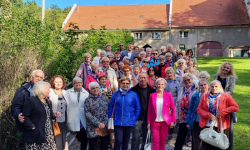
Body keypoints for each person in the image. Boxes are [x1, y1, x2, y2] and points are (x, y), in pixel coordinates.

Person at [197, 80, 239, 150]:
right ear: (210, 87)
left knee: (217, 145)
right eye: (212, 86)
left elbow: (235, 107)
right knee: (206, 145)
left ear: (220, 87)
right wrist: (209, 115)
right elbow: (199, 109)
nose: (214, 88)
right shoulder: (204, 97)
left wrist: (222, 112)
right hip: (207, 124)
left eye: (216, 86)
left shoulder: (226, 97)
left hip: (219, 125)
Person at [11, 69, 44, 147]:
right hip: (27, 125)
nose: (39, 79)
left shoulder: (45, 90)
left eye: (41, 77)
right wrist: (18, 114)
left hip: (42, 126)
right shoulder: (22, 90)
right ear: (32, 77)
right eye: (37, 76)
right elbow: (15, 106)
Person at [108, 77, 141, 150]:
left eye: (127, 83)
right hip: (117, 121)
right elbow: (111, 105)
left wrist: (134, 119)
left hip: (129, 122)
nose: (125, 85)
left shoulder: (134, 94)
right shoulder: (116, 93)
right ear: (120, 84)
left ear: (130, 84)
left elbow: (137, 108)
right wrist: (110, 117)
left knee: (125, 141)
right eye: (123, 83)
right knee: (118, 140)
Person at [22, 81, 56, 150]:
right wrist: (32, 127)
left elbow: (47, 115)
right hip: (36, 136)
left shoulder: (48, 101)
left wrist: (54, 114)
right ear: (41, 89)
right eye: (48, 89)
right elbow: (25, 116)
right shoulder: (31, 100)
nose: (49, 91)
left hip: (48, 135)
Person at [147, 78, 176, 150]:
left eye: (162, 84)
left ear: (165, 85)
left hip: (165, 122)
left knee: (163, 140)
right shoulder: (152, 95)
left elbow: (173, 109)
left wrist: (172, 121)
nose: (160, 86)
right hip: (155, 122)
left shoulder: (168, 95)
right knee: (155, 140)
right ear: (156, 85)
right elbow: (149, 110)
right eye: (158, 84)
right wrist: (148, 123)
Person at [131, 73, 156, 150]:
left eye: (144, 78)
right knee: (135, 138)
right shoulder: (133, 90)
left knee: (146, 138)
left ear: (147, 79)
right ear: (138, 79)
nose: (143, 79)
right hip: (137, 117)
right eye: (141, 78)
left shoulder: (152, 90)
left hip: (148, 118)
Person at [174, 73, 199, 150]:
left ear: (192, 79)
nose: (187, 82)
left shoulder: (197, 89)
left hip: (193, 117)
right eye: (185, 80)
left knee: (195, 138)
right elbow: (178, 104)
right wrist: (177, 117)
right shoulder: (182, 89)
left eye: (189, 80)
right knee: (180, 136)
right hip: (183, 117)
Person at [84, 82, 109, 150]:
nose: (95, 89)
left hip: (104, 126)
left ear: (99, 88)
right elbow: (87, 113)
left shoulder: (104, 98)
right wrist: (98, 123)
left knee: (104, 146)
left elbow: (108, 111)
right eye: (93, 88)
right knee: (93, 147)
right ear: (90, 90)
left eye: (97, 87)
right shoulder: (87, 100)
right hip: (92, 127)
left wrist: (104, 123)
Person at [186, 79, 209, 150]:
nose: (203, 86)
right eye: (201, 85)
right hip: (196, 121)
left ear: (208, 85)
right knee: (196, 142)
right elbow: (190, 109)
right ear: (199, 86)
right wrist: (188, 122)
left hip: (207, 123)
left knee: (207, 143)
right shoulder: (195, 96)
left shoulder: (212, 95)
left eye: (205, 84)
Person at [67, 77, 89, 150]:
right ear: (73, 84)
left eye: (79, 82)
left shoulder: (86, 93)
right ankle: (76, 138)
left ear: (82, 83)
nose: (78, 84)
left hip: (83, 116)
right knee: (75, 132)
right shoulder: (68, 92)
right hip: (72, 115)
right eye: (76, 83)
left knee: (84, 135)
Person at [49, 75, 68, 150]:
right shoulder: (50, 92)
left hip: (63, 120)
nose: (58, 83)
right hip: (53, 120)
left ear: (63, 83)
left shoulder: (65, 93)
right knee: (56, 140)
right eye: (56, 82)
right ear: (53, 83)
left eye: (60, 82)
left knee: (63, 139)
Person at [164, 67, 180, 139]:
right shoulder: (164, 81)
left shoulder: (176, 82)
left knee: (171, 117)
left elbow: (179, 92)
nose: (169, 74)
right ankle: (165, 132)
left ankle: (170, 132)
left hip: (173, 100)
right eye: (168, 73)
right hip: (165, 100)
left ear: (173, 73)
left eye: (170, 73)